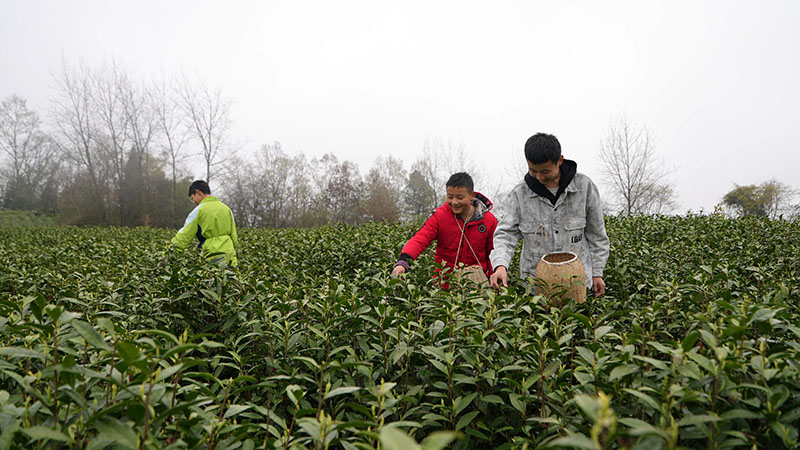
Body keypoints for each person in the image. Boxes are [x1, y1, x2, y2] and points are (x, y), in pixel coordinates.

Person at [490, 133, 610, 296]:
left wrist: (597, 273)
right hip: (535, 289)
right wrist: (500, 265)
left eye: (545, 171)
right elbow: (505, 235)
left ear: (560, 161)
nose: (539, 177)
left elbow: (597, 236)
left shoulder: (584, 188)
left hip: (578, 285)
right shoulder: (519, 194)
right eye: (533, 171)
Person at [391, 172, 497, 284]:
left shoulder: (488, 220)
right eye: (450, 197)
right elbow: (420, 240)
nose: (454, 202)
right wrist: (403, 262)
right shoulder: (439, 216)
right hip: (445, 286)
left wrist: (494, 278)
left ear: (472, 196)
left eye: (460, 197)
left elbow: (494, 252)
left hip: (477, 285)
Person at [171, 180, 239, 266]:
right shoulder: (226, 209)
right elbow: (234, 236)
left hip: (210, 255)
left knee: (211, 277)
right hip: (229, 255)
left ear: (197, 192)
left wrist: (169, 253)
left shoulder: (199, 211)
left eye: (192, 198)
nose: (194, 201)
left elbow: (184, 236)